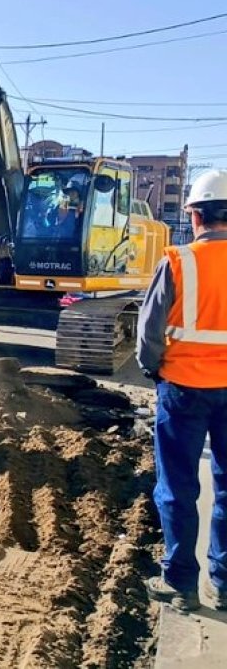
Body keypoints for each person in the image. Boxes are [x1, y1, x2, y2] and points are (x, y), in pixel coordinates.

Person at [137, 169, 227, 612]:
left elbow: (149, 333)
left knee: (177, 488)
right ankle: (225, 583)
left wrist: (154, 370)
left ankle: (181, 584)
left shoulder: (177, 261)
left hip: (184, 388)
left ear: (194, 215)